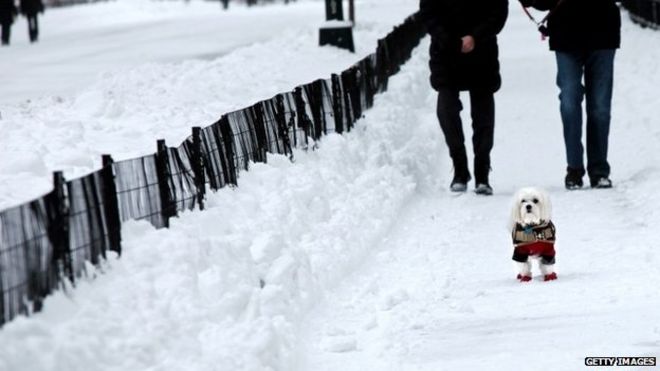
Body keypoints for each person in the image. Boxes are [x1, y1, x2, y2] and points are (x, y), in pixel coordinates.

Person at [519, 0, 621, 189]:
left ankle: (598, 169)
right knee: (569, 100)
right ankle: (574, 167)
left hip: (603, 32)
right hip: (566, 35)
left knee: (600, 107)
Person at [419, 0, 509, 195]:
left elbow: (498, 11)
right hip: (446, 53)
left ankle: (482, 171)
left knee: (483, 115)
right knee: (446, 110)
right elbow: (428, 12)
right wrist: (450, 40)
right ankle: (460, 166)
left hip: (482, 52)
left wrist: (475, 37)